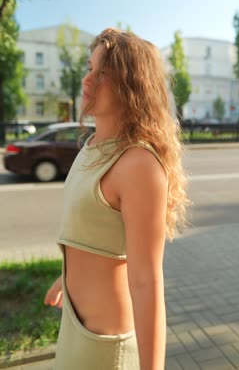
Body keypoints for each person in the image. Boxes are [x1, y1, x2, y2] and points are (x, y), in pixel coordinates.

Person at [44, 28, 190, 370]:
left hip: (105, 349)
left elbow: (146, 282)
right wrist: (66, 276)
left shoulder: (138, 164)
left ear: (132, 86)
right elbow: (91, 231)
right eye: (89, 67)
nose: (87, 79)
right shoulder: (91, 146)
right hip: (73, 330)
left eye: (103, 73)